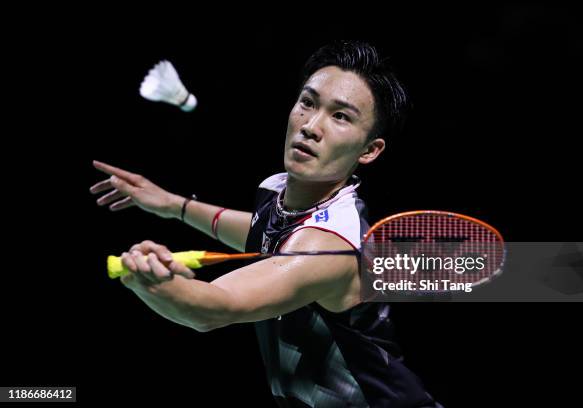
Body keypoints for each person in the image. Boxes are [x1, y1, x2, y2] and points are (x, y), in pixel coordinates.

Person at [91, 41, 442, 408]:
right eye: (308, 102)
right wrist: (175, 206)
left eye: (341, 116)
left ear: (370, 150)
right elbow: (267, 236)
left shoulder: (328, 246)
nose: (311, 126)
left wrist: (152, 283)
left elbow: (214, 308)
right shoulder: (283, 196)